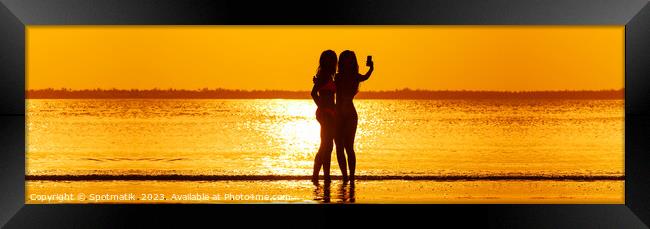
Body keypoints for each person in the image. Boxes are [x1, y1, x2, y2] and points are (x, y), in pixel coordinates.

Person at [334, 50, 373, 184]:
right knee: (347, 147)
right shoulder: (353, 76)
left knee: (341, 147)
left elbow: (366, 76)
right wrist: (371, 68)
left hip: (341, 113)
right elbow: (366, 76)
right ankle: (349, 178)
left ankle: (347, 177)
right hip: (347, 113)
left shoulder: (338, 77)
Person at [311, 50, 338, 184]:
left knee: (328, 146)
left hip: (330, 113)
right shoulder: (323, 76)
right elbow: (313, 93)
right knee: (325, 145)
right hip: (325, 113)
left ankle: (326, 176)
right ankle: (316, 175)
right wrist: (321, 106)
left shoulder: (329, 76)